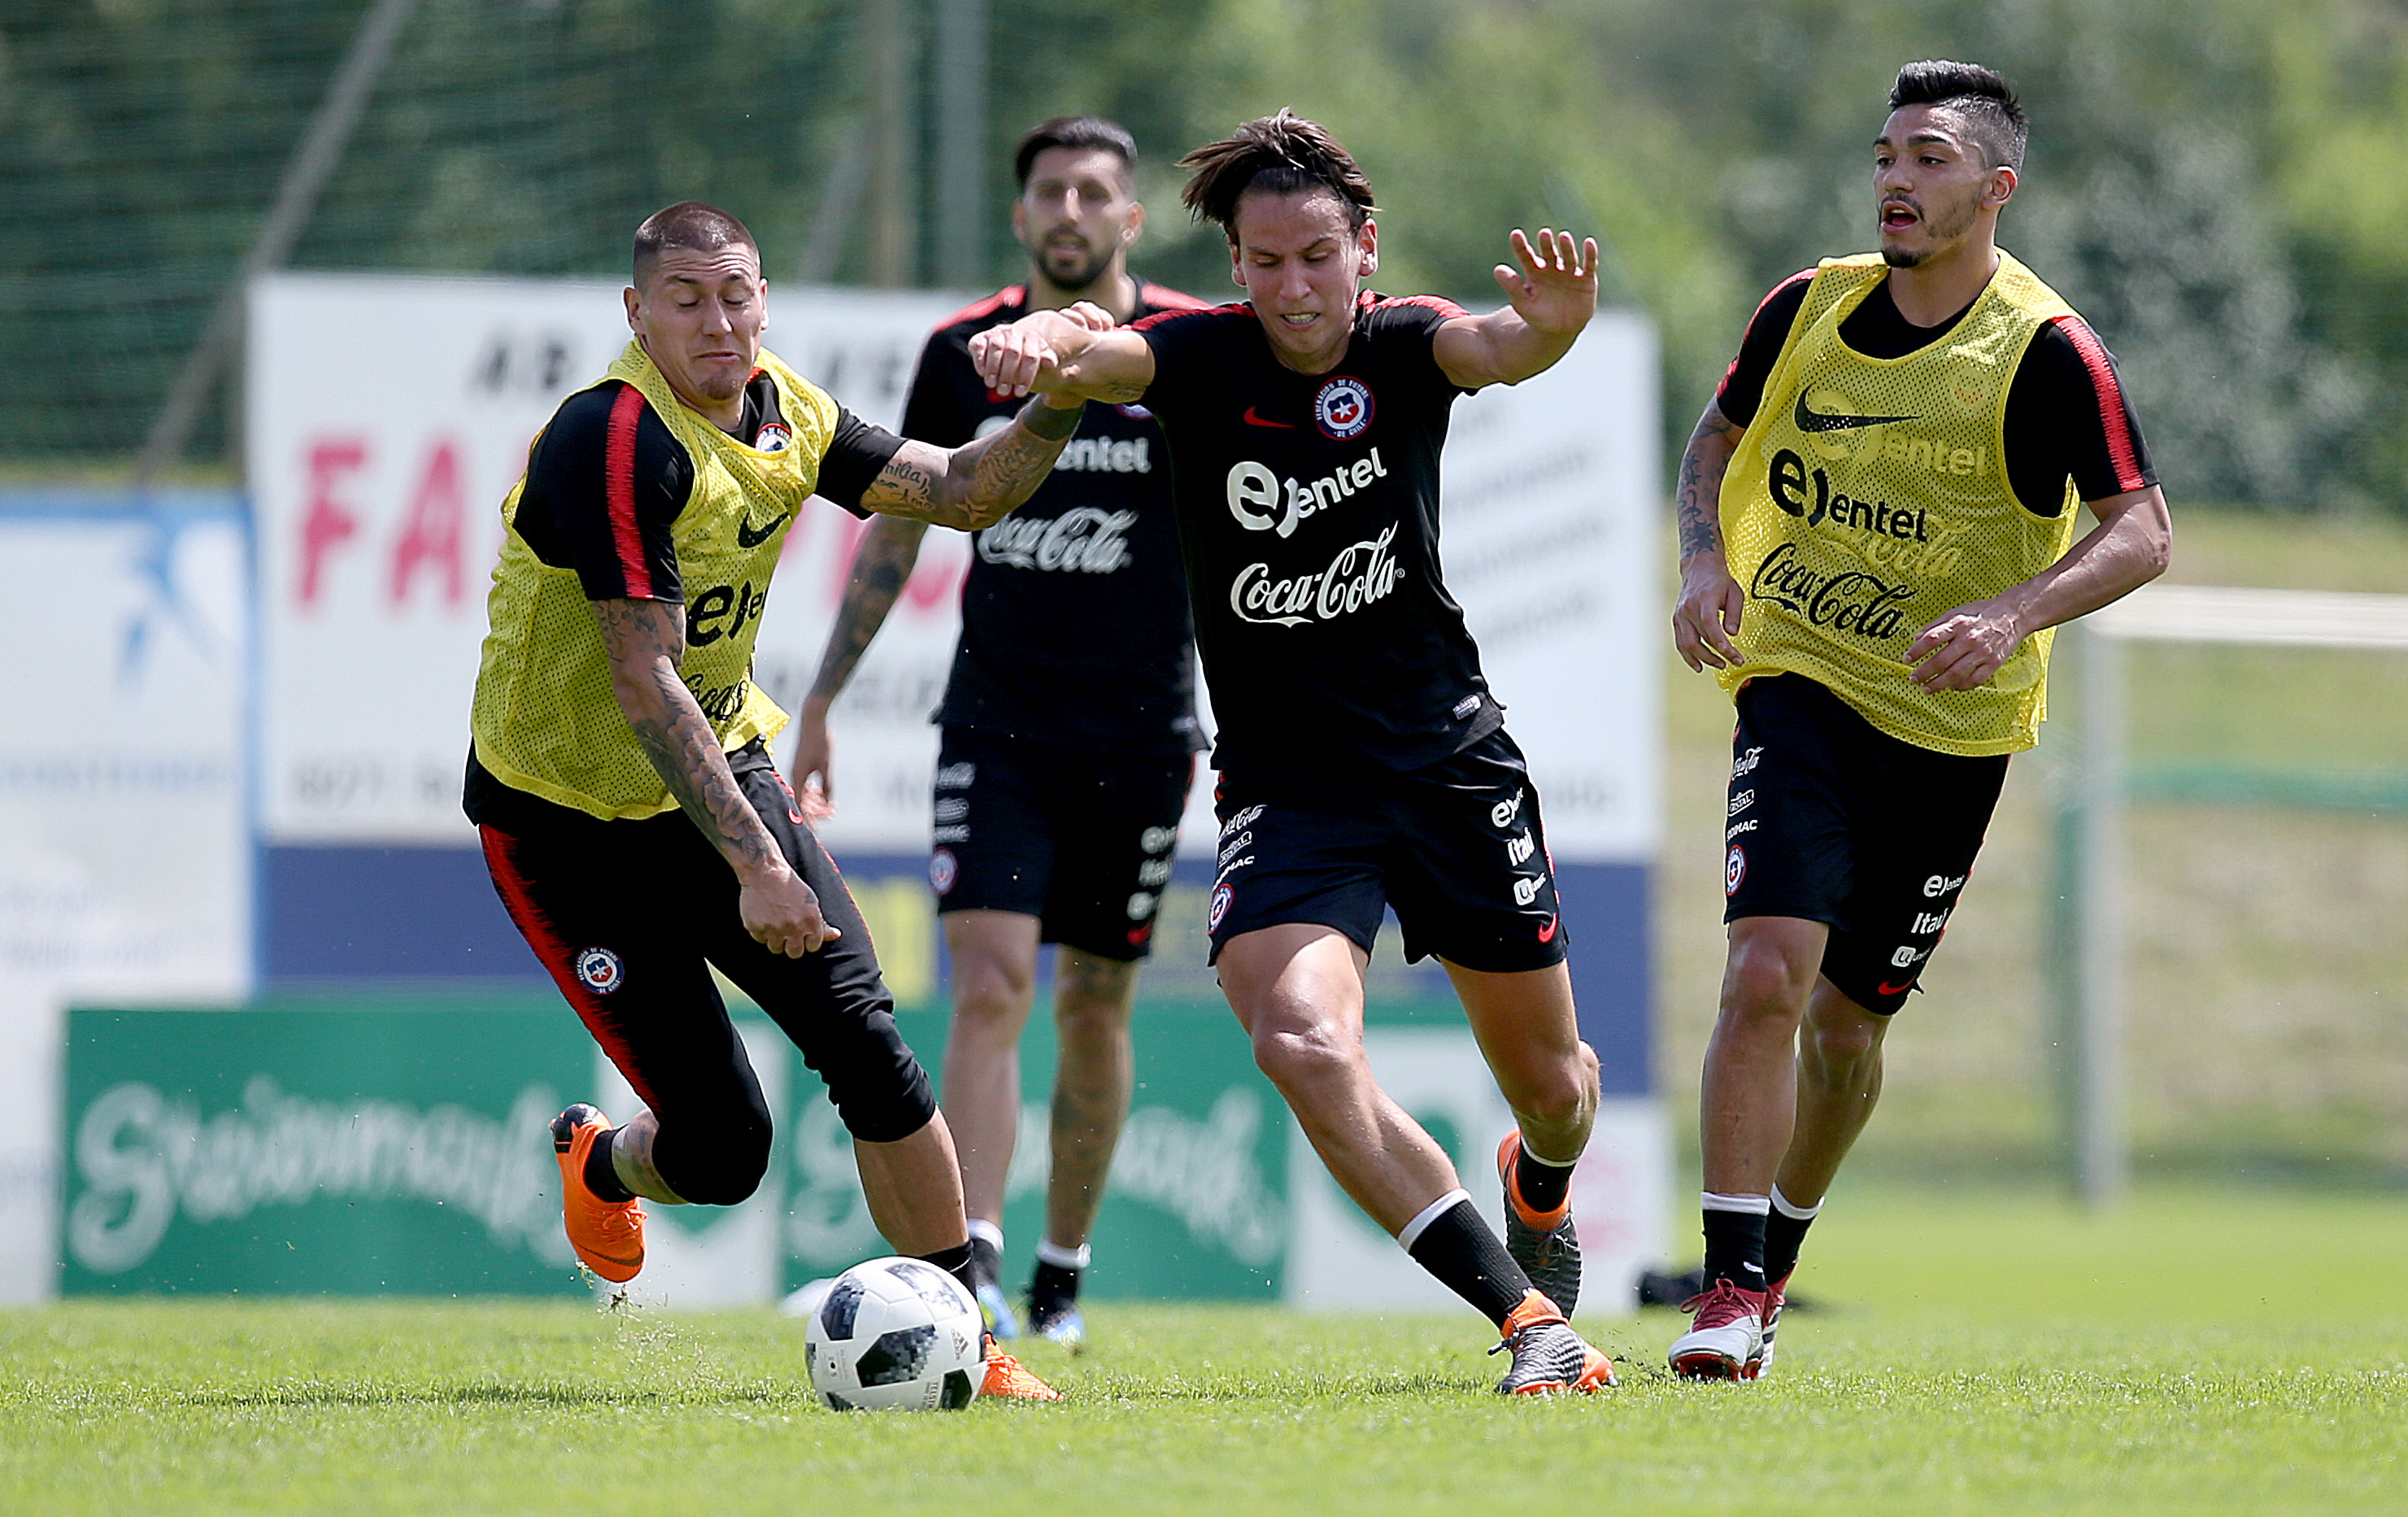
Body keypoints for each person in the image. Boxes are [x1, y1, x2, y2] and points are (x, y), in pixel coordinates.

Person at [966, 111, 1617, 1395]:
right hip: (1290, 789)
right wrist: (1042, 335)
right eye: (1263, 261)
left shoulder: (1402, 342)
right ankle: (1525, 1317)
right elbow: (1094, 353)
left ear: (1363, 250)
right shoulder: (1198, 360)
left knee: (1555, 1089)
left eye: (1315, 256)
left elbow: (1502, 346)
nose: (1291, 287)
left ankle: (1533, 1182)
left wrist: (1555, 324)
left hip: (1449, 763)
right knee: (1298, 1038)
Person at [464, 200, 1091, 1400]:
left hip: (722, 767)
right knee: (724, 1150)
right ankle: (604, 1165)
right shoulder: (610, 435)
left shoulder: (787, 408)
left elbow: (962, 489)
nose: (716, 320)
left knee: (868, 1044)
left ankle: (973, 1341)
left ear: (763, 299)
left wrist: (1061, 393)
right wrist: (759, 862)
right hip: (563, 826)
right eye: (686, 299)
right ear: (636, 312)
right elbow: (643, 677)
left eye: (736, 294)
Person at [1666, 61, 2172, 1380]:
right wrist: (1701, 567)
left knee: (1847, 1029)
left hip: (1951, 726)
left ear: (1995, 189)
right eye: (1886, 152)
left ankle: (1774, 1256)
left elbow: (2142, 534)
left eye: (1930, 157)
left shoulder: (2048, 351)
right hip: (1799, 675)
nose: (1895, 176)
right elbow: (1714, 443)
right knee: (1765, 967)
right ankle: (1723, 1292)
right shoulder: (1807, 307)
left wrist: (2010, 614)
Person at [790, 116, 1209, 1346]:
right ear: (1021, 219)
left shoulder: (1183, 350)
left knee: (1093, 1007)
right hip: (996, 723)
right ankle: (959, 1277)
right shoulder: (955, 354)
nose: (1071, 210)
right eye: (1049, 193)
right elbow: (899, 525)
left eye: (1094, 193)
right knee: (988, 984)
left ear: (1129, 220)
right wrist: (820, 696)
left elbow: (1243, 541)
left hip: (1141, 736)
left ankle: (1061, 1279)